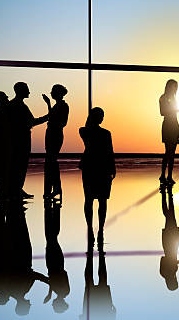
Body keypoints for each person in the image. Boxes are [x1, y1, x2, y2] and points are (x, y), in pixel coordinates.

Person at [79, 107, 116, 250]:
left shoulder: (102, 133)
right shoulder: (86, 131)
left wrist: (113, 168)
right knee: (91, 199)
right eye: (100, 116)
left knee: (99, 200)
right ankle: (92, 227)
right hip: (95, 167)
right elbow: (109, 150)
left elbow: (110, 151)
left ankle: (100, 228)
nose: (102, 118)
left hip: (100, 167)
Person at [7, 82, 48, 198]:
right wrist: (47, 117)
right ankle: (17, 189)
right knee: (20, 165)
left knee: (16, 164)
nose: (29, 92)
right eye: (27, 89)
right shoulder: (20, 106)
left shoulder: (12, 105)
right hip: (22, 139)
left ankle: (15, 189)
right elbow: (32, 122)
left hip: (15, 139)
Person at [42, 84, 69, 199]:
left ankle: (55, 188)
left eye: (53, 91)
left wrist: (48, 104)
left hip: (55, 134)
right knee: (50, 161)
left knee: (51, 161)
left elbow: (56, 120)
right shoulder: (58, 105)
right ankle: (54, 188)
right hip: (52, 133)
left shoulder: (63, 106)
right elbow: (51, 116)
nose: (51, 93)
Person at [43, 198, 70, 313]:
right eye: (55, 306)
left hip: (52, 265)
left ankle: (52, 209)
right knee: (51, 237)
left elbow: (52, 282)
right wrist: (49, 293)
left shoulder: (60, 292)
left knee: (51, 237)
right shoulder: (64, 292)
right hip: (56, 264)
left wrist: (49, 294)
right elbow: (62, 275)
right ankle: (52, 210)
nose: (53, 304)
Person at [159, 183, 179, 291]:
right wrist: (178, 262)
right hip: (170, 245)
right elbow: (166, 259)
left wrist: (175, 262)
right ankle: (166, 194)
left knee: (170, 215)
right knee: (169, 215)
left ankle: (167, 193)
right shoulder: (167, 273)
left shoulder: (165, 273)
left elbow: (164, 259)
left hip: (170, 244)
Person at [159, 79, 179, 185]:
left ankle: (168, 175)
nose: (174, 89)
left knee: (171, 153)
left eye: (175, 87)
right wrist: (175, 110)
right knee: (168, 152)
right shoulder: (163, 98)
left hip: (174, 125)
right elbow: (162, 112)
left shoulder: (173, 98)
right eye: (173, 86)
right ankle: (164, 175)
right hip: (168, 125)